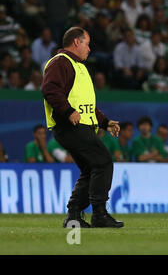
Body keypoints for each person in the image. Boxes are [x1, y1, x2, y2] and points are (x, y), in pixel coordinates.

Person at [42, 26, 123, 228]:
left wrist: (105, 122)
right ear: (76, 42)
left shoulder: (78, 66)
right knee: (103, 162)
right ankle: (99, 214)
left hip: (78, 125)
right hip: (69, 125)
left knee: (91, 168)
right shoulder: (61, 62)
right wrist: (68, 111)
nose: (89, 49)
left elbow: (86, 105)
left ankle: (74, 215)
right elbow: (50, 90)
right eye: (87, 44)